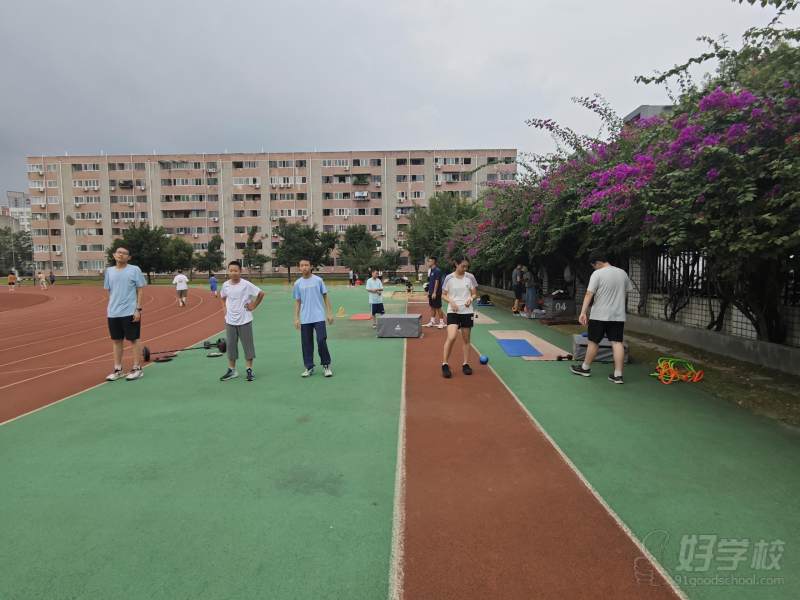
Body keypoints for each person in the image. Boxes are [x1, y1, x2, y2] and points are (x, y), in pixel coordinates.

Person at [570, 253, 633, 384]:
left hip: (599, 314)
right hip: (618, 315)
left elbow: (589, 293)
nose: (594, 268)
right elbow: (626, 293)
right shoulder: (622, 273)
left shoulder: (597, 274)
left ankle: (585, 368)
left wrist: (583, 312)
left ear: (597, 263)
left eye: (593, 266)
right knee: (617, 343)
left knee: (594, 341)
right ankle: (618, 375)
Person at [104, 246, 146, 381]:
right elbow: (110, 291)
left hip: (130, 311)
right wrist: (111, 308)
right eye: (118, 252)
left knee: (134, 339)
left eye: (124, 253)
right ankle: (118, 369)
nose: (121, 255)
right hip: (113, 312)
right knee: (116, 341)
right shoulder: (109, 271)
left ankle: (137, 368)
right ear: (114, 255)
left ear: (129, 257)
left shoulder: (134, 270)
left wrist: (138, 309)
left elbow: (140, 290)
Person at [219, 261, 264, 382]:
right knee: (231, 346)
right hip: (230, 321)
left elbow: (261, 293)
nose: (233, 273)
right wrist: (224, 307)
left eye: (236, 270)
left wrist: (253, 305)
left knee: (247, 346)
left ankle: (249, 369)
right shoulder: (225, 285)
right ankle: (232, 370)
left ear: (240, 271)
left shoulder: (246, 284)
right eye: (231, 270)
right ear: (228, 271)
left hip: (245, 320)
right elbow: (222, 297)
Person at [293, 258, 334, 378]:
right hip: (305, 318)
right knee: (306, 343)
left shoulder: (318, 280)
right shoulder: (297, 283)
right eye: (302, 265)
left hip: (319, 316)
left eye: (306, 265)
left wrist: (329, 313)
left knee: (321, 340)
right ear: (299, 268)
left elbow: (325, 297)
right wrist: (296, 318)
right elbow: (298, 302)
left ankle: (326, 365)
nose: (304, 267)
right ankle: (309, 366)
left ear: (311, 266)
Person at [441, 256, 478, 378]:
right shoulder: (449, 278)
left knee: (466, 339)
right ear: (456, 264)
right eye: (463, 266)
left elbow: (474, 294)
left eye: (467, 266)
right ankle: (445, 364)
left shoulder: (470, 277)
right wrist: (451, 301)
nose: (465, 268)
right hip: (453, 311)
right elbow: (444, 295)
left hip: (467, 311)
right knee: (451, 336)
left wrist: (470, 299)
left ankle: (466, 364)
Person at [423, 256, 446, 329]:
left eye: (429, 261)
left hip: (436, 293)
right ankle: (432, 321)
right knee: (432, 307)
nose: (428, 262)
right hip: (431, 292)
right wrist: (429, 291)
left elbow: (437, 282)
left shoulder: (437, 270)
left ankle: (442, 322)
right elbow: (431, 282)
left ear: (433, 262)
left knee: (438, 307)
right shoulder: (431, 270)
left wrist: (434, 292)